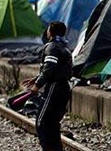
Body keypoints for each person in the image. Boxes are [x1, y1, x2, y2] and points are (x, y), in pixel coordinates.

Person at [24, 21, 72, 151]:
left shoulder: (51, 47)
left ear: (50, 32)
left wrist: (37, 85)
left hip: (54, 88)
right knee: (53, 123)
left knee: (42, 122)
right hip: (64, 88)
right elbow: (59, 69)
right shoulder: (65, 47)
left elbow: (50, 68)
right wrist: (36, 78)